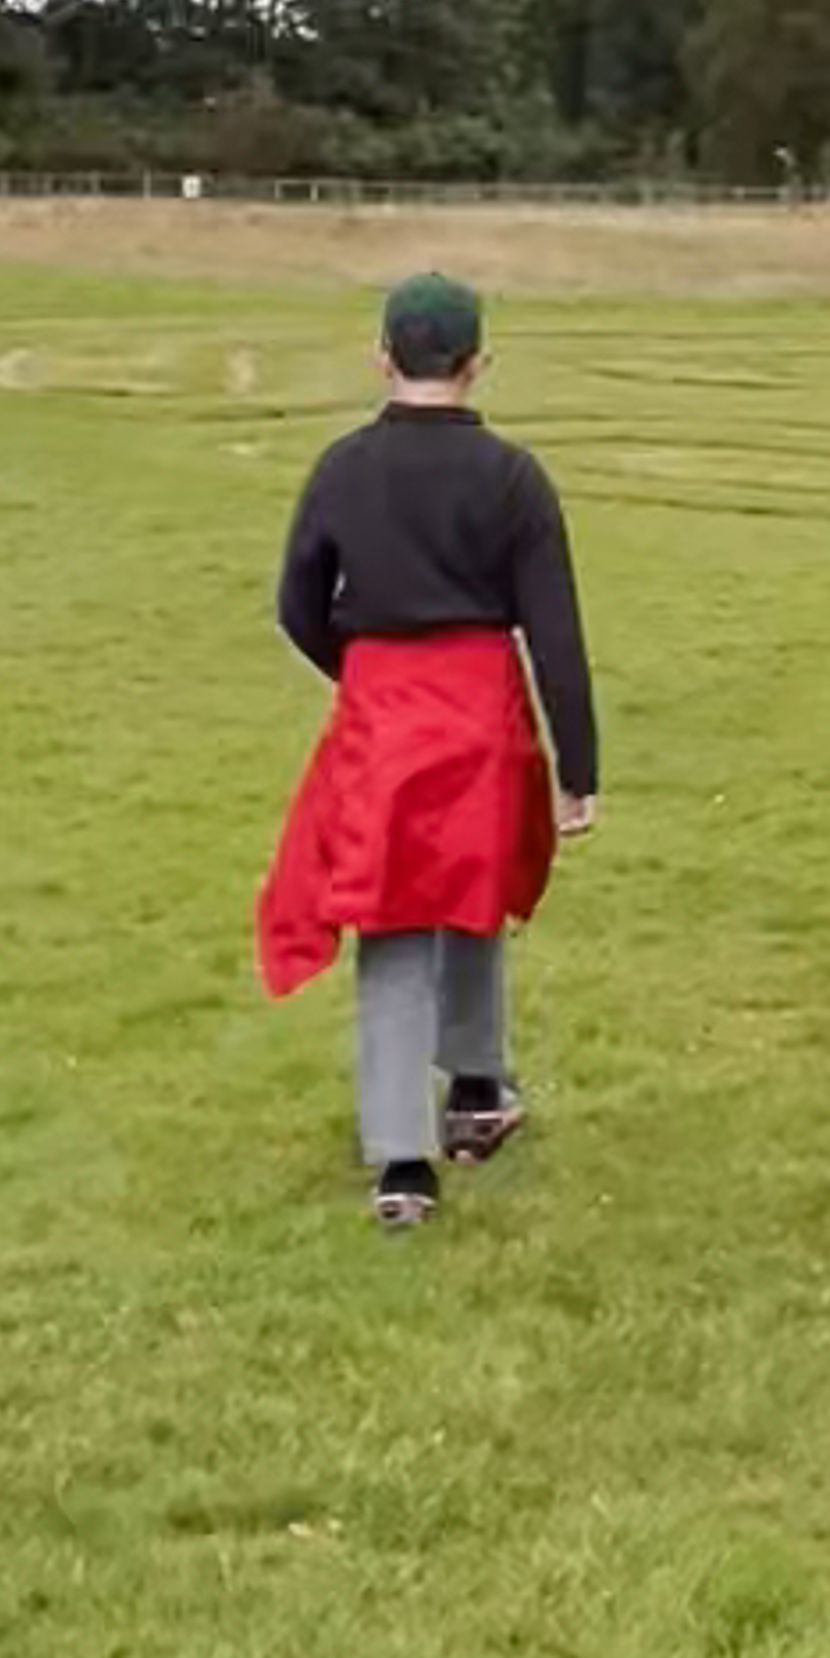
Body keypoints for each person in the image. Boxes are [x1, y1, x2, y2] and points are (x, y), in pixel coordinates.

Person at [258, 273, 600, 1229]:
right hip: (481, 717)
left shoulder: (341, 467)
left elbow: (297, 603)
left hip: (383, 717)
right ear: (477, 359)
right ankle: (476, 1093)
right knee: (469, 893)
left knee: (392, 917)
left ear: (382, 356)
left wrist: (363, 673)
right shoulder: (514, 476)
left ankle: (404, 1161)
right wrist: (578, 768)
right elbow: (555, 631)